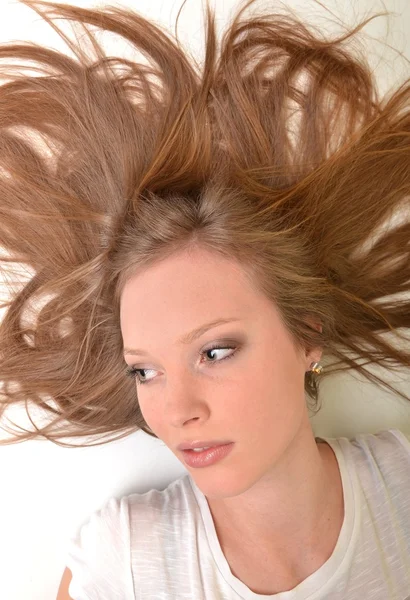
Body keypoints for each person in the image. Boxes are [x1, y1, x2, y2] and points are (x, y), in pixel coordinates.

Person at [0, 0, 409, 598]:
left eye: (215, 352)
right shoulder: (124, 564)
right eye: (145, 370)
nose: (177, 410)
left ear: (308, 336)